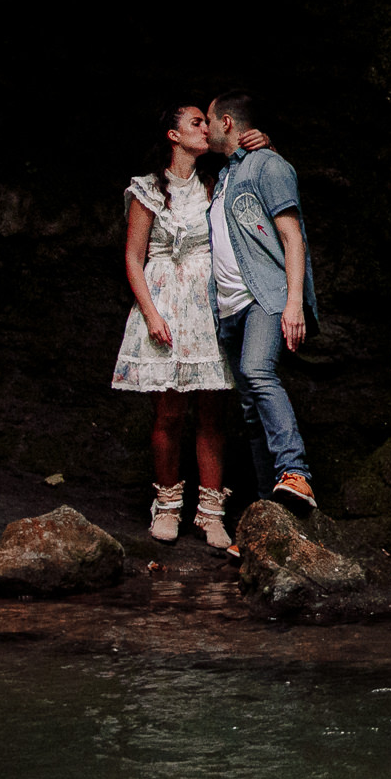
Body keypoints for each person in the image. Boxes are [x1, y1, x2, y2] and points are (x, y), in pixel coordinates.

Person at [112, 103, 264, 549]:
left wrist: (262, 143)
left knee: (213, 415)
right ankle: (167, 506)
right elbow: (132, 258)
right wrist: (151, 315)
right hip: (163, 306)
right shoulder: (146, 191)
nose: (206, 128)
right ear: (172, 136)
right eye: (196, 122)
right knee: (169, 413)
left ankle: (211, 513)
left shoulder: (215, 187)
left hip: (206, 307)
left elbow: (252, 179)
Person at [206, 89, 320, 512]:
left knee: (257, 371)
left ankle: (297, 474)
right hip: (230, 309)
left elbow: (293, 238)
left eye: (209, 119)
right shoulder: (222, 179)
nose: (207, 126)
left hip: (264, 296)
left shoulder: (268, 165)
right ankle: (267, 510)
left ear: (227, 123)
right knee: (250, 409)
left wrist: (293, 302)